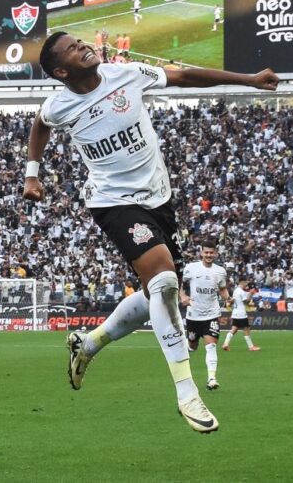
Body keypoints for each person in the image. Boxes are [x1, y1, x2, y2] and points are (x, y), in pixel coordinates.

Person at [25, 31, 278, 433]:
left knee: (152, 296)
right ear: (61, 70)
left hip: (160, 199)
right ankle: (186, 392)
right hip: (113, 202)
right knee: (164, 284)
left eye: (81, 41)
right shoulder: (59, 104)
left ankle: (87, 344)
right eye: (74, 48)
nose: (84, 46)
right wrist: (32, 174)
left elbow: (184, 76)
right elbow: (40, 125)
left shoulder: (124, 74)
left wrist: (247, 79)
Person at [180, 240, 229, 391]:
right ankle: (187, 346)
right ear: (201, 253)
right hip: (194, 315)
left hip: (211, 314)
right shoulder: (191, 268)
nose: (208, 255)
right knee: (192, 346)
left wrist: (228, 298)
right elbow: (180, 284)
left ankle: (212, 378)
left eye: (211, 253)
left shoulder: (220, 271)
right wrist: (182, 297)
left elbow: (222, 289)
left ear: (215, 253)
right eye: (206, 252)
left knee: (211, 346)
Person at [222, 278, 261, 352]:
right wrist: (251, 293)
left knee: (234, 329)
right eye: (246, 282)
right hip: (241, 313)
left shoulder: (236, 291)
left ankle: (225, 344)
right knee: (246, 329)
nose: (247, 284)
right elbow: (246, 302)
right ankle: (251, 347)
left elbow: (233, 301)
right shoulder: (241, 291)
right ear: (242, 282)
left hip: (235, 313)